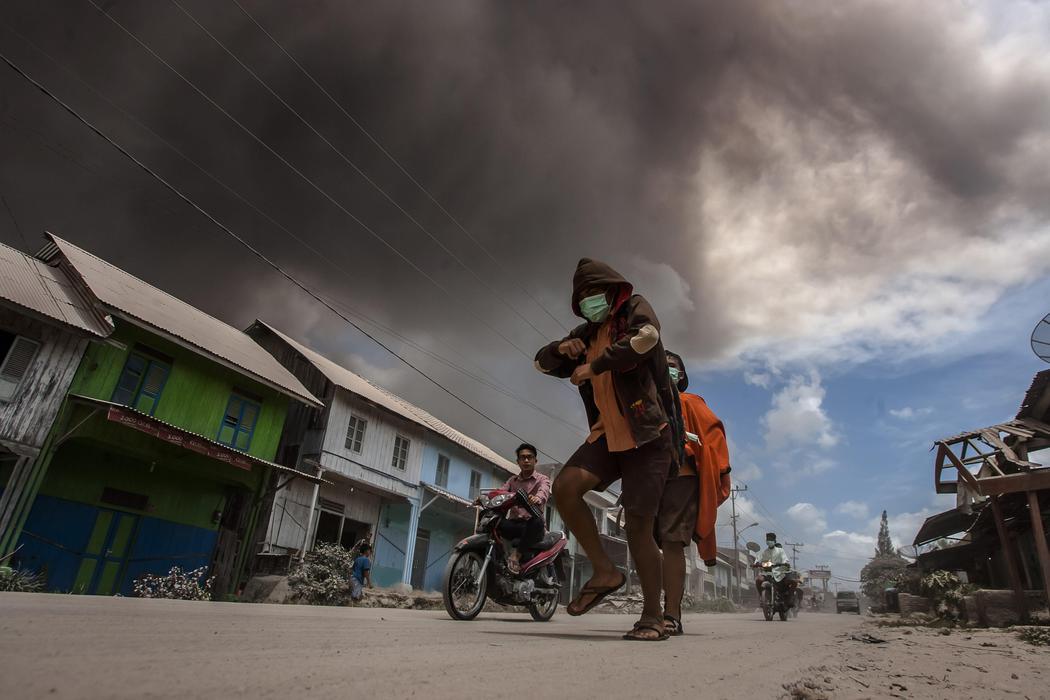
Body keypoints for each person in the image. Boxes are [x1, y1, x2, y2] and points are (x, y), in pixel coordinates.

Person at [535, 258, 683, 641]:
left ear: (612, 291)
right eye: (581, 297)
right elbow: (540, 363)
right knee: (565, 488)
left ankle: (652, 617)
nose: (588, 301)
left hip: (648, 435)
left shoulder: (634, 310)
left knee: (638, 526)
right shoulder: (586, 333)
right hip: (607, 437)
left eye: (593, 294)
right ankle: (605, 571)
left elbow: (646, 339)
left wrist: (596, 364)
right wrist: (562, 348)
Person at [657, 350, 731, 636]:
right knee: (646, 545)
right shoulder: (641, 403)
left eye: (672, 365)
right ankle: (653, 610)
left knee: (672, 543)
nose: (667, 368)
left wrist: (718, 469)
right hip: (648, 481)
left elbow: (714, 439)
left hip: (681, 478)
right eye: (661, 364)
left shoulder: (690, 402)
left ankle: (671, 613)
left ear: (682, 374)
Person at [497, 443, 552, 573]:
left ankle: (516, 555)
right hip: (515, 526)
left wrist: (537, 498)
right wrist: (486, 499)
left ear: (535, 460)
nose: (526, 460)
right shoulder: (512, 481)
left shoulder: (543, 479)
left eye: (529, 457)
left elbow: (544, 491)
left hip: (532, 527)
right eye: (523, 457)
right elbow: (500, 493)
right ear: (518, 461)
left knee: (537, 520)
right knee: (494, 519)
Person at [752, 533, 790, 599]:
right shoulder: (764, 552)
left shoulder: (780, 551)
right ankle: (761, 597)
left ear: (774, 541)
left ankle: (785, 596)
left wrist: (785, 563)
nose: (769, 541)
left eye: (770, 539)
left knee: (786, 583)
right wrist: (756, 563)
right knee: (758, 580)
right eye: (767, 539)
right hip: (767, 574)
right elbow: (758, 560)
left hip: (779, 574)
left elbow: (785, 559)